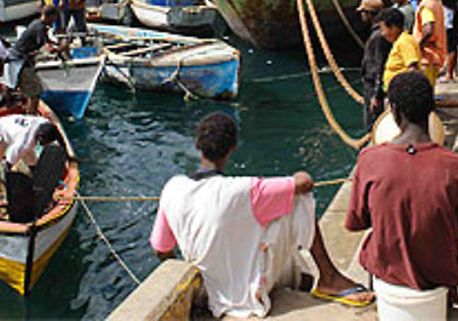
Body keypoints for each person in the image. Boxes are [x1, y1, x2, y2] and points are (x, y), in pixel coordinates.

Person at [150, 112, 374, 317]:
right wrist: (299, 173)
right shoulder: (243, 190)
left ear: (198, 145)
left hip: (208, 291)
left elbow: (161, 249)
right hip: (245, 294)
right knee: (297, 200)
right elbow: (304, 183)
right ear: (232, 148)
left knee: (256, 220)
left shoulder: (173, 187)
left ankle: (304, 277)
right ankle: (329, 277)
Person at [346, 72, 458, 315]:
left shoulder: (369, 160)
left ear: (393, 110)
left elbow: (357, 222)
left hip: (387, 276)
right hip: (439, 279)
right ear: (431, 109)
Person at [0, 113, 61, 199]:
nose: (45, 145)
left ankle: (39, 188)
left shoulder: (45, 123)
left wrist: (68, 154)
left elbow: (59, 136)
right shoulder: (22, 145)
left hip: (13, 128)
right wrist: (10, 191)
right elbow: (7, 167)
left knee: (34, 164)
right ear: (40, 137)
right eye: (45, 142)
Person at [4, 6, 58, 114]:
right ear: (50, 16)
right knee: (35, 93)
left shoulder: (37, 23)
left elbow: (46, 40)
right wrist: (60, 49)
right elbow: (45, 48)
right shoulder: (40, 28)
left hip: (19, 59)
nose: (54, 21)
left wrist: (55, 44)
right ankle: (31, 116)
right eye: (54, 18)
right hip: (20, 62)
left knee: (32, 91)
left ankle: (29, 111)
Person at [404, 0, 446, 87]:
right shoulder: (434, 0)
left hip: (427, 58)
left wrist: (417, 47)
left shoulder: (426, 5)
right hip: (433, 57)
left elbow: (428, 30)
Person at [357, 0, 390, 130]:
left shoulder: (377, 36)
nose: (361, 16)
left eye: (363, 12)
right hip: (372, 83)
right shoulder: (379, 33)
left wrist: (376, 95)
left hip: (372, 85)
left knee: (372, 123)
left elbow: (380, 65)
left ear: (370, 13)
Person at [378, 7, 422, 93]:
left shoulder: (405, 42)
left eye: (383, 29)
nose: (382, 34)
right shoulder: (398, 43)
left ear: (393, 28)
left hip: (402, 93)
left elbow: (413, 69)